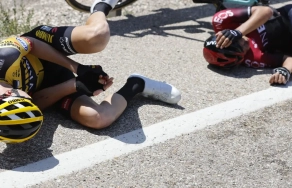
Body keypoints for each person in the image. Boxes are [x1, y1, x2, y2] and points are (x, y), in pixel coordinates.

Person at [0, 0, 181, 143]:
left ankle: (100, 6)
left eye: (27, 99)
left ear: (8, 93)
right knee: (99, 119)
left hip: (42, 50)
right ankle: (138, 84)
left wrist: (79, 68)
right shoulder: (10, 106)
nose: (30, 99)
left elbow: (32, 44)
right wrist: (75, 84)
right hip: (48, 84)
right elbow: (37, 102)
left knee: (97, 36)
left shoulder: (4, 58)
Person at [203, 3, 292, 85]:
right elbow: (288, 59)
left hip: (290, 15)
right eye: (242, 51)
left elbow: (266, 11)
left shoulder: (220, 21)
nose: (245, 45)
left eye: (237, 42)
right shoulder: (251, 60)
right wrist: (285, 70)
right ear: (240, 59)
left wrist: (238, 32)